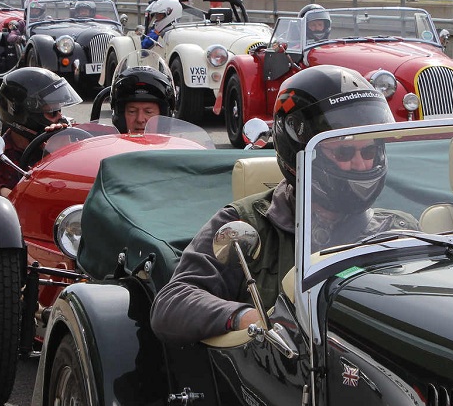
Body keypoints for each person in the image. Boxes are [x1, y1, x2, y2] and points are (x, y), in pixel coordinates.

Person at [151, 65, 415, 344]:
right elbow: (173, 301)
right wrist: (247, 317)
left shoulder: (400, 231)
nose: (361, 164)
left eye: (369, 151)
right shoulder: (244, 225)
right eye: (345, 151)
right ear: (300, 151)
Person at [0, 67, 81, 230]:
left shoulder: (70, 139)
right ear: (23, 115)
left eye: (59, 110)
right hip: (18, 240)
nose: (60, 117)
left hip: (70, 230)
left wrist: (64, 154)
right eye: (52, 112)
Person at [110, 64, 175, 134]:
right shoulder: (108, 144)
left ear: (163, 117)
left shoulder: (177, 145)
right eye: (132, 111)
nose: (140, 119)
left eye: (148, 112)